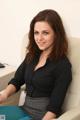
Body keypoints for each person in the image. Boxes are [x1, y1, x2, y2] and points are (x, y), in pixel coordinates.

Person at [0, 9, 72, 120]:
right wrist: (4, 94)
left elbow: (54, 107)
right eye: (36, 33)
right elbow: (17, 80)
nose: (39, 38)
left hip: (41, 116)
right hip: (24, 110)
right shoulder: (32, 56)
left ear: (56, 34)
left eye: (45, 33)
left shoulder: (63, 65)